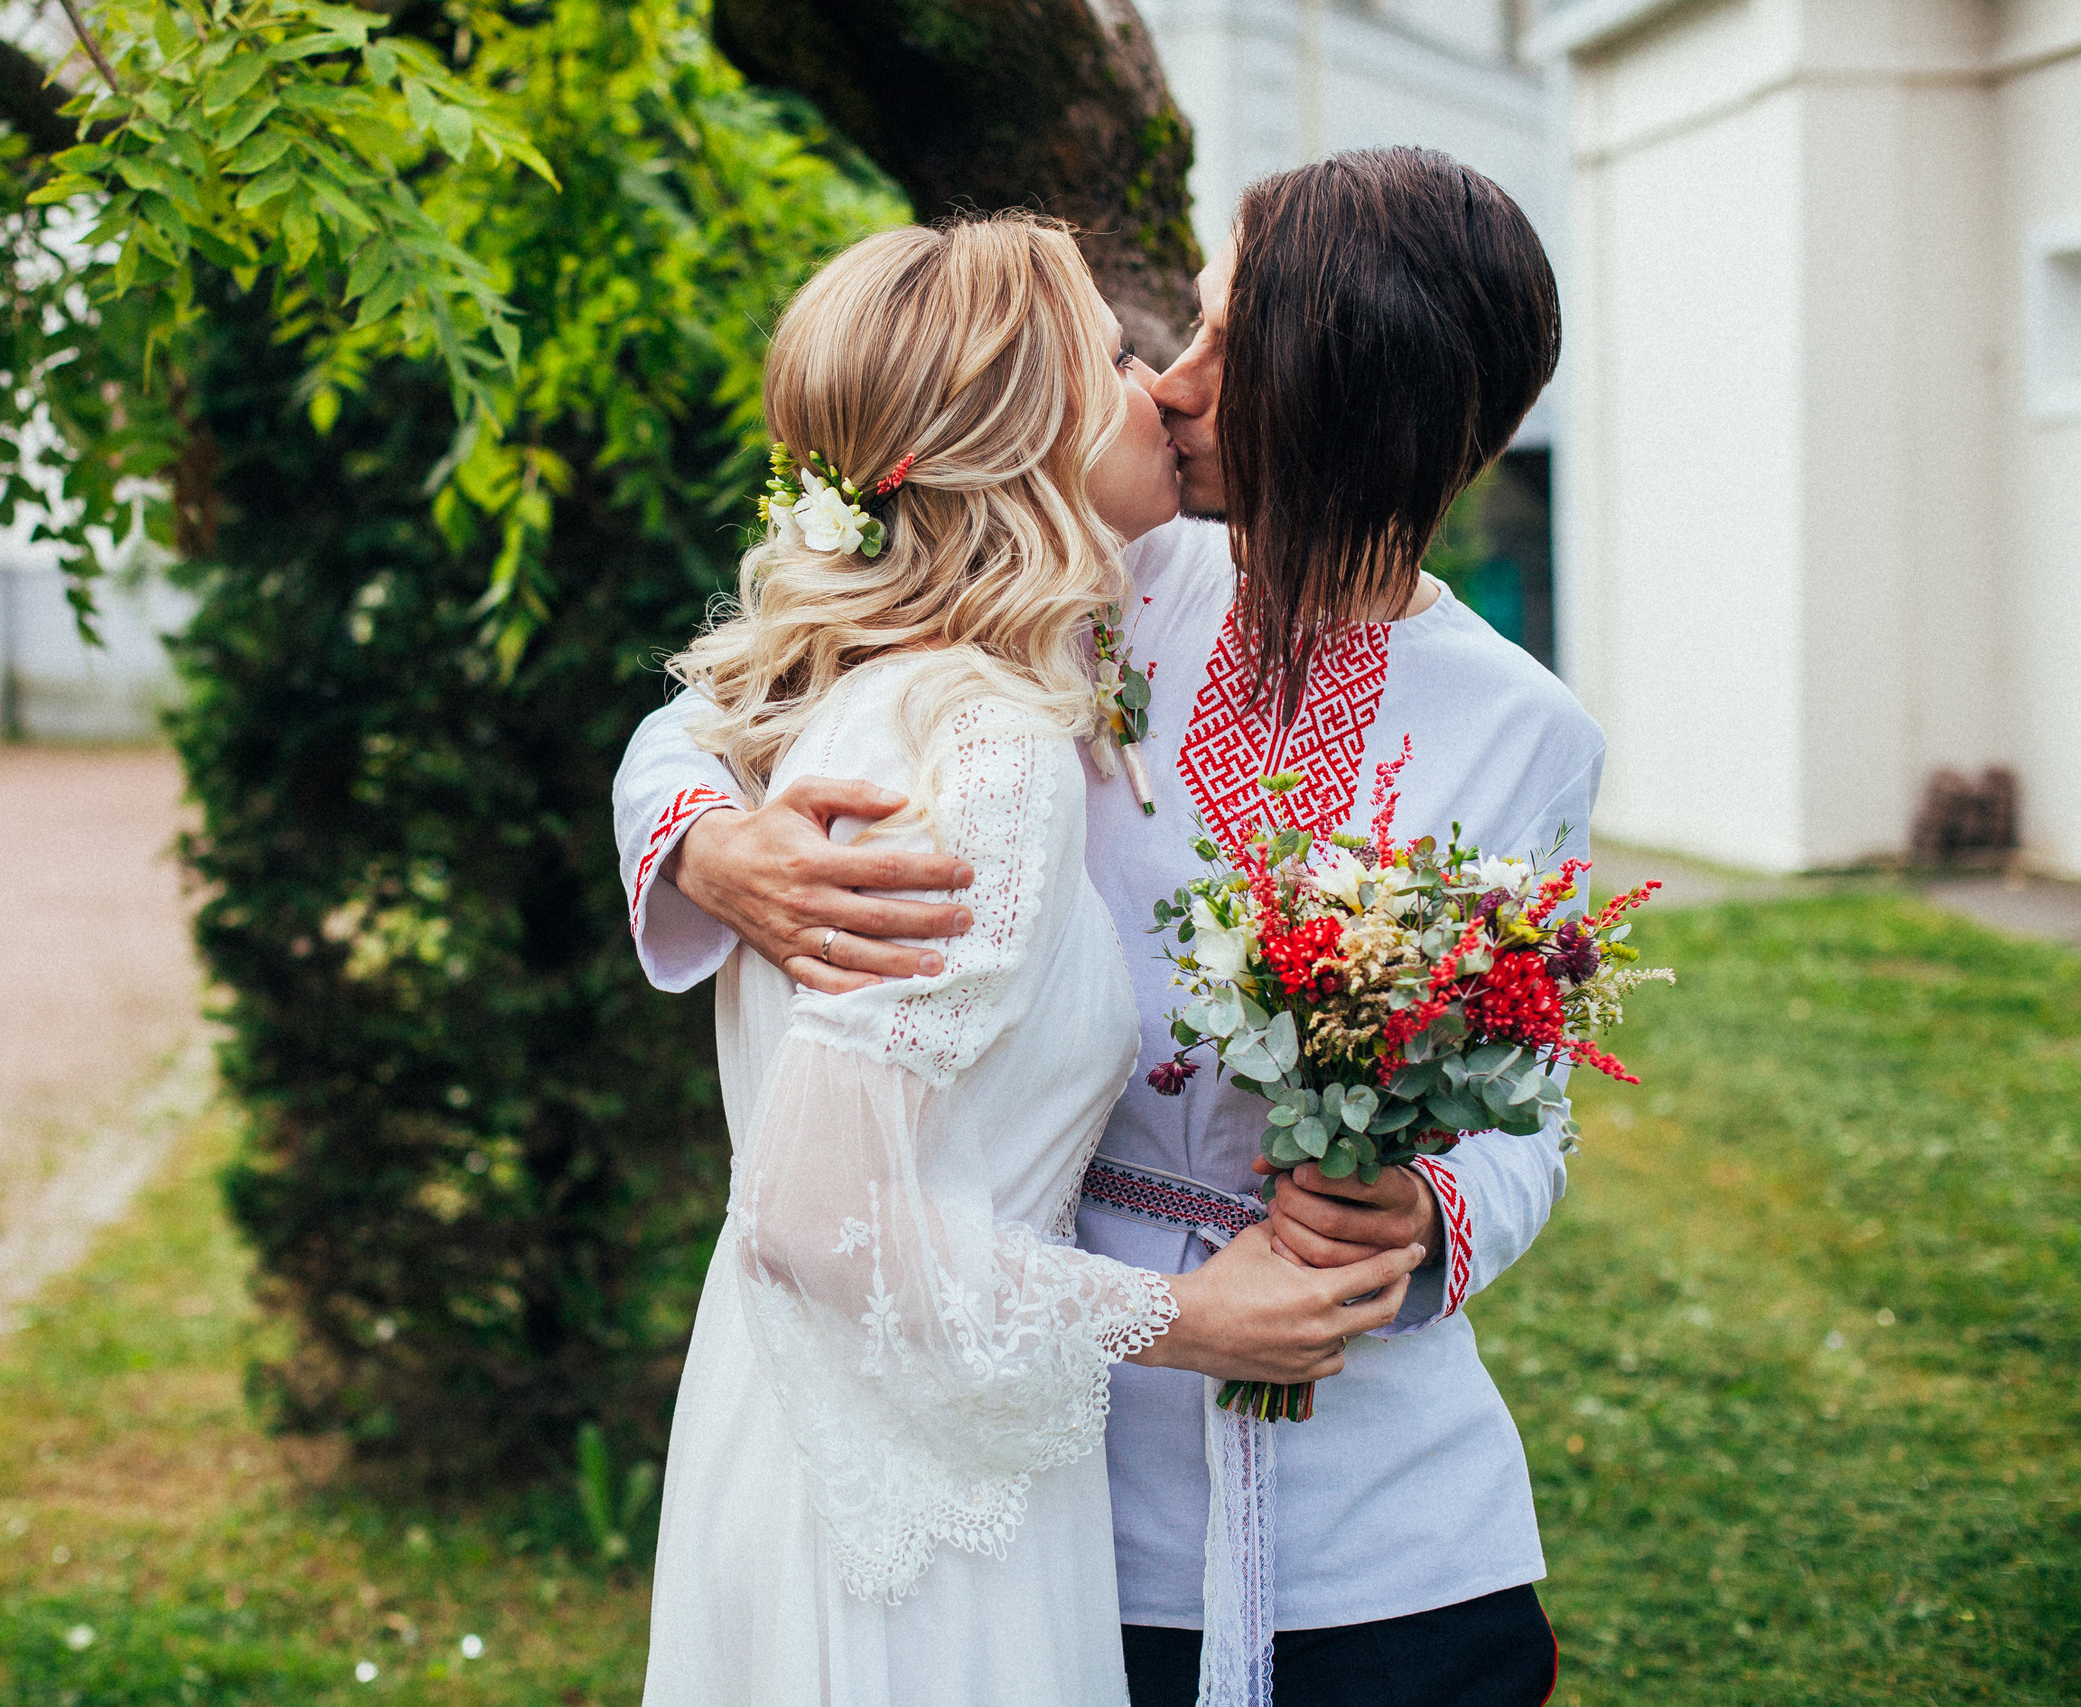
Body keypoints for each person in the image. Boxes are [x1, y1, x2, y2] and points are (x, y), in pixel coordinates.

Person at [617, 149, 1595, 1707]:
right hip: (1061, 1470)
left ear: (1347, 404)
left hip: (1376, 1497)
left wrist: (1429, 1219)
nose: (1179, 384)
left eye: (1226, 347)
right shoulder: (1096, 566)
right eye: (1181, 334)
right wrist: (712, 846)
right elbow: (747, 696)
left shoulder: (1526, 732)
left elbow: (1532, 1115)